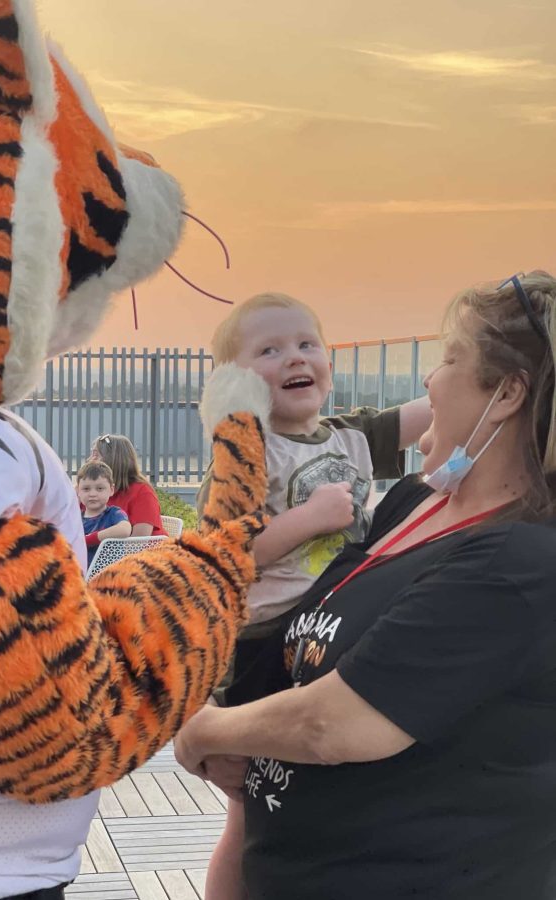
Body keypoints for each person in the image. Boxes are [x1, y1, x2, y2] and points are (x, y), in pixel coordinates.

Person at [175, 271, 556, 900]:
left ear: (509, 394)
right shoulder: (414, 502)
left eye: (449, 359)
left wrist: (204, 731)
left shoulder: (516, 563)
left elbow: (335, 725)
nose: (428, 380)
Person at [191, 291, 432, 900]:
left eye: (306, 344)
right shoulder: (244, 457)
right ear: (236, 384)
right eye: (269, 350)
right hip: (266, 642)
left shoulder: (350, 437)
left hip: (335, 629)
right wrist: (312, 517)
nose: (294, 357)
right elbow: (229, 555)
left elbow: (428, 412)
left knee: (325, 788)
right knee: (252, 807)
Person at [90, 433, 165, 536]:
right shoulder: (90, 490)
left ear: (114, 459)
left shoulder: (142, 492)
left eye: (95, 455)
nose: (89, 460)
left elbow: (138, 542)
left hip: (146, 551)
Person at [76, 460, 132, 565]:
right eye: (86, 489)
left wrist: (90, 539)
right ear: (78, 491)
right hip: (80, 574)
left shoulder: (114, 513)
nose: (92, 494)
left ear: (111, 490)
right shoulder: (75, 518)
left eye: (100, 488)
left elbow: (125, 529)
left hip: (110, 575)